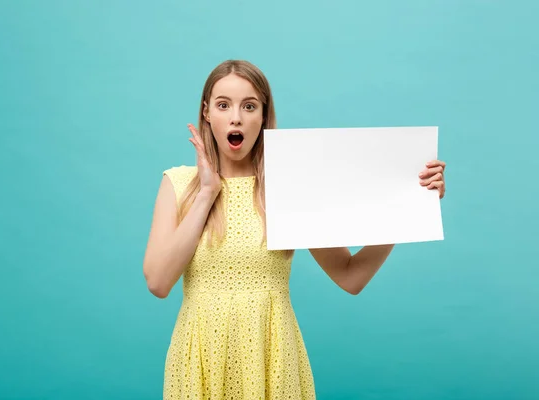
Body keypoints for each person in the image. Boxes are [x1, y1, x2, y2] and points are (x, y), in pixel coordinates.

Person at [143, 59, 447, 400]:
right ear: (206, 113)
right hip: (201, 359)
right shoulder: (178, 184)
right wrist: (207, 193)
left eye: (249, 106)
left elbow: (351, 277)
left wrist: (406, 205)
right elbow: (157, 281)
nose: (236, 117)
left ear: (263, 116)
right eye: (223, 105)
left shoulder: (288, 185)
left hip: (273, 359)